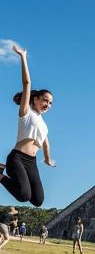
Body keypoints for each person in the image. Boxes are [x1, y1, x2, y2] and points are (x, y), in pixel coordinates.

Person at [0, 45, 55, 207]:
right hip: (17, 158)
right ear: (36, 99)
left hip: (32, 162)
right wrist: (23, 57)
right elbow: (27, 83)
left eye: (50, 103)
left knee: (38, 200)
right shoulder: (26, 112)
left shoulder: (44, 125)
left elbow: (45, 143)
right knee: (24, 195)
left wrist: (47, 158)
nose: (48, 105)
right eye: (45, 100)